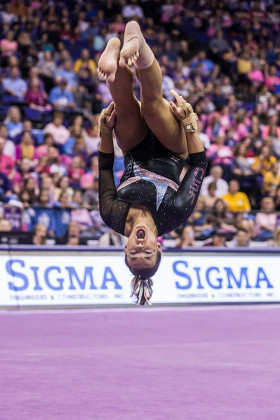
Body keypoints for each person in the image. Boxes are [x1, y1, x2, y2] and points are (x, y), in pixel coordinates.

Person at [97, 21, 207, 305]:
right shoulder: (175, 214)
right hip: (172, 148)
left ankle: (115, 58)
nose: (140, 246)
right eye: (147, 253)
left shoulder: (112, 214)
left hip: (132, 148)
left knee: (123, 105)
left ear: (125, 249)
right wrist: (189, 122)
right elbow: (198, 166)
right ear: (159, 249)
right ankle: (139, 46)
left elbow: (105, 168)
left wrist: (105, 133)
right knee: (152, 106)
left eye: (134, 253)